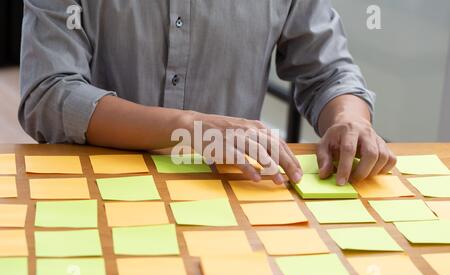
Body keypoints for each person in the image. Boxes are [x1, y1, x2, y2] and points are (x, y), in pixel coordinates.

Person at [19, 0, 396, 185]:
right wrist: (190, 127)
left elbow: (328, 70)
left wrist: (349, 119)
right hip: (95, 190)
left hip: (231, 193)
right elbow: (50, 95)